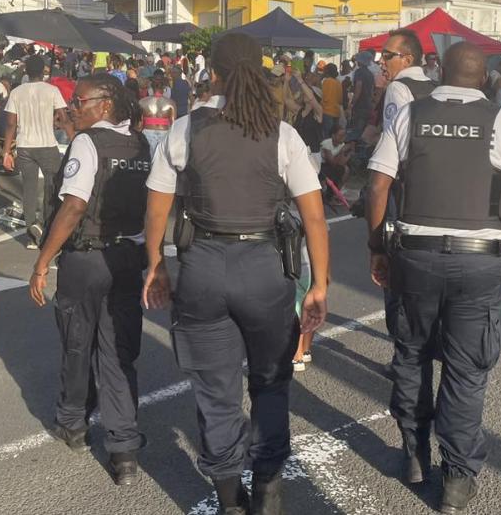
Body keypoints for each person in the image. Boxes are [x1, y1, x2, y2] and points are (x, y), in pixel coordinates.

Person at [141, 33, 329, 515]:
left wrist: (156, 266)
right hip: (265, 268)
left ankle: (229, 498)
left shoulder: (184, 129)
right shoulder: (282, 133)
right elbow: (313, 215)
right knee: (270, 381)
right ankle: (267, 485)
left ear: (214, 73)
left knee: (214, 388)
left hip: (202, 264)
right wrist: (320, 284)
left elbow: (158, 207)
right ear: (260, 73)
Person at [364, 41, 501, 511]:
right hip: (479, 260)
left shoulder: (411, 114)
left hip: (415, 256)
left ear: (439, 71)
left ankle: (414, 455)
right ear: (484, 78)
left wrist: (378, 248)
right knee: (466, 372)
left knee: (411, 354)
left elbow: (378, 184)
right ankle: (457, 479)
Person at [28, 74, 150, 485]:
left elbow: (75, 205)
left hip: (87, 257)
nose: (72, 108)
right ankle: (124, 450)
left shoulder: (88, 143)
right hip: (128, 257)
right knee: (118, 352)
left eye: (79, 101)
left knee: (78, 345)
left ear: (105, 105)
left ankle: (74, 425)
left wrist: (43, 260)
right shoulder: (142, 145)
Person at [3, 55, 70, 248]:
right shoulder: (52, 90)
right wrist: (73, 136)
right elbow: (63, 118)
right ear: (44, 71)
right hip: (47, 145)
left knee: (29, 189)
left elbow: (10, 123)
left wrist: (7, 151)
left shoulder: (17, 92)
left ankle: (32, 234)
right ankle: (48, 230)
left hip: (24, 146)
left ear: (26, 71)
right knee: (52, 188)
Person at [380, 29, 436, 131]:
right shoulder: (435, 87)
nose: (381, 61)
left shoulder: (397, 87)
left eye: (387, 55)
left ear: (407, 60)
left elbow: (394, 133)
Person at [320, 63, 343, 137]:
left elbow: (324, 96)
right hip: (336, 112)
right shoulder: (338, 82)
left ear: (327, 71)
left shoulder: (327, 81)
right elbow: (340, 100)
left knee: (327, 134)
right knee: (333, 135)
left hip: (327, 111)